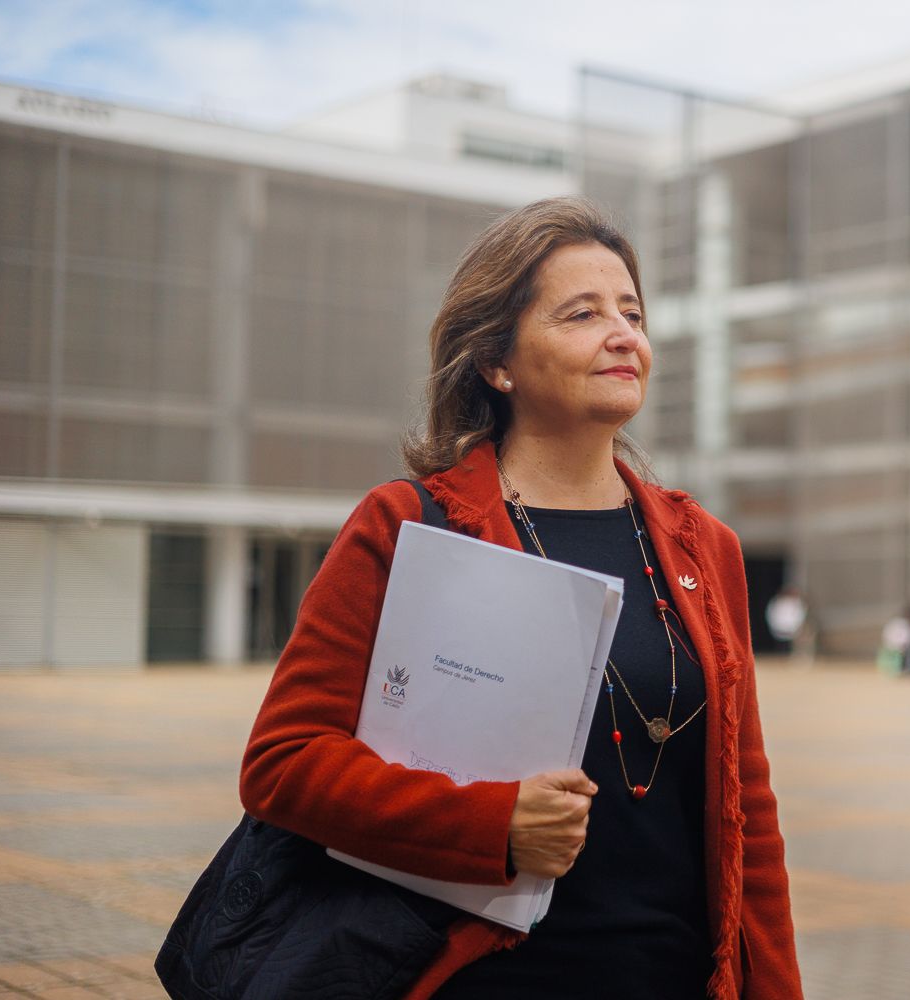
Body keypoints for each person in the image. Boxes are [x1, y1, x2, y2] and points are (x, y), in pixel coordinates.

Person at [238, 198, 802, 1000]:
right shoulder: (405, 526)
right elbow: (282, 764)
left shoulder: (703, 546)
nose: (623, 335)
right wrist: (491, 822)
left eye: (632, 313)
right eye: (582, 314)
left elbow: (749, 812)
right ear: (498, 363)